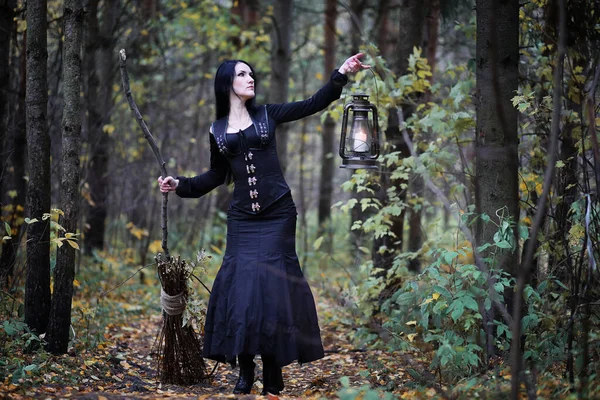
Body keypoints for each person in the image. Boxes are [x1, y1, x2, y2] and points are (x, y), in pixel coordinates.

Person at [158, 53, 369, 395]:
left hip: (278, 213)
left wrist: (341, 74)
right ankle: (245, 366)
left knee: (271, 292)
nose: (250, 78)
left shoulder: (267, 114)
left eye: (251, 74)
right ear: (228, 82)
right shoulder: (216, 130)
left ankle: (272, 368)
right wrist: (179, 183)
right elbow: (216, 175)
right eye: (243, 74)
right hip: (243, 219)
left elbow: (312, 103)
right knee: (242, 291)